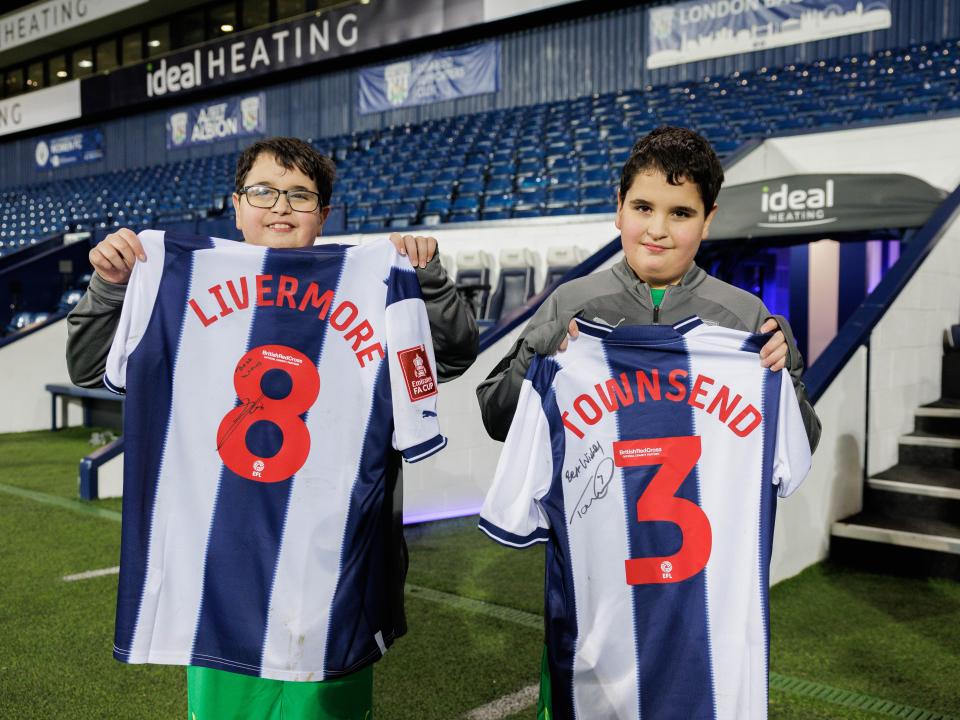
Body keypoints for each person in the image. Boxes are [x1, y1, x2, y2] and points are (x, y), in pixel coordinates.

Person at [66, 136, 478, 719]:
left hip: (333, 558)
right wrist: (110, 284)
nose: (280, 207)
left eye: (300, 196)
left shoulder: (371, 278)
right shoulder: (176, 276)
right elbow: (88, 365)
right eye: (264, 191)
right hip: (218, 560)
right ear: (235, 205)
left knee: (326, 704)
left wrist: (426, 279)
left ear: (325, 214)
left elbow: (453, 357)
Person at [476, 125, 821, 452]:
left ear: (707, 221)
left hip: (706, 514)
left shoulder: (744, 315)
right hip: (589, 510)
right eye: (643, 208)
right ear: (620, 207)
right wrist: (530, 360)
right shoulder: (570, 301)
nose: (657, 229)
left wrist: (787, 379)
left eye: (681, 214)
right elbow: (497, 421)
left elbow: (797, 448)